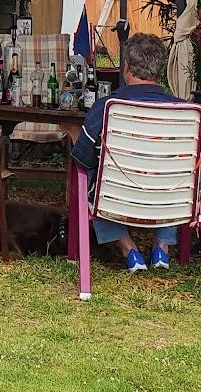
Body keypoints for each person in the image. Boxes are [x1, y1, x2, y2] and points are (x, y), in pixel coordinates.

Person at [71, 33, 187, 273]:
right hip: (170, 199)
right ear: (160, 69)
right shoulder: (184, 112)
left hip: (117, 198)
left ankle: (129, 250)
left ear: (126, 66)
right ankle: (162, 248)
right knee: (175, 173)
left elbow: (82, 158)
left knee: (89, 172)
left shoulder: (106, 107)